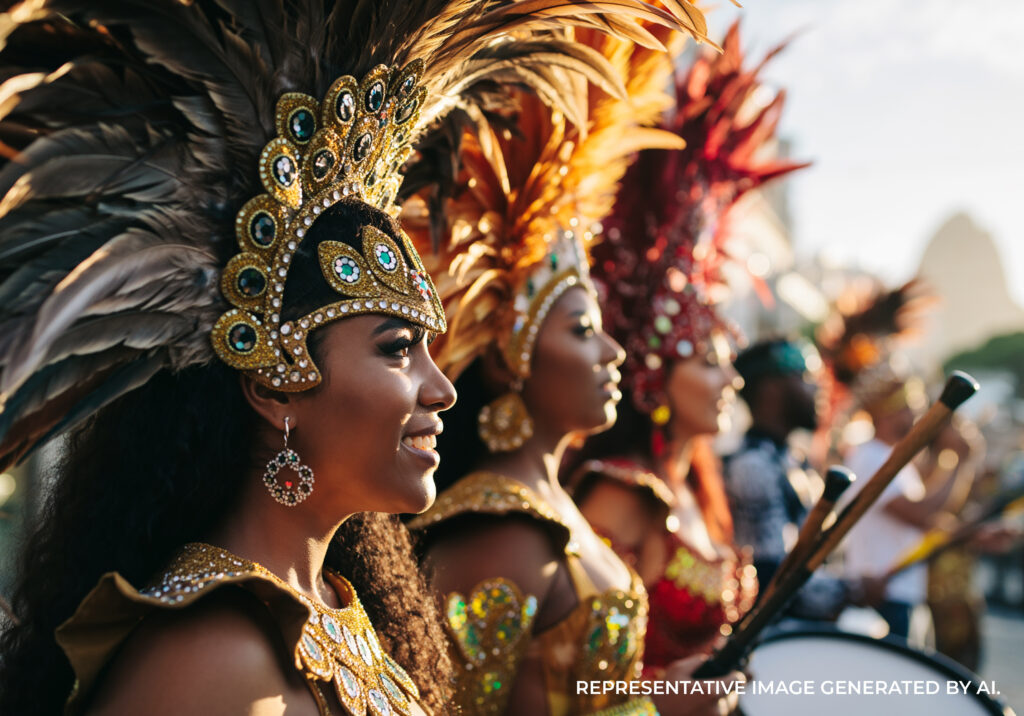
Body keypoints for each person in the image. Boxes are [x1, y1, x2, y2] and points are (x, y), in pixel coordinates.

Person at [0, 2, 666, 713]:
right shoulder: (213, 653)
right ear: (273, 383)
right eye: (398, 350)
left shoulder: (341, 610)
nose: (442, 389)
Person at [406, 18, 745, 715]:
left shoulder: (551, 506)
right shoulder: (501, 526)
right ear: (512, 357)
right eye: (584, 330)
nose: (613, 351)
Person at [569, 24, 806, 671]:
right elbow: (571, 680)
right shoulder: (619, 495)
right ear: (650, 374)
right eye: (709, 360)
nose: (732, 378)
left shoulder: (702, 487)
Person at [723, 339, 857, 621]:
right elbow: (772, 582)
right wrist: (853, 590)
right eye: (807, 377)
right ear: (771, 389)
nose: (820, 388)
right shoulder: (752, 468)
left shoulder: (792, 461)